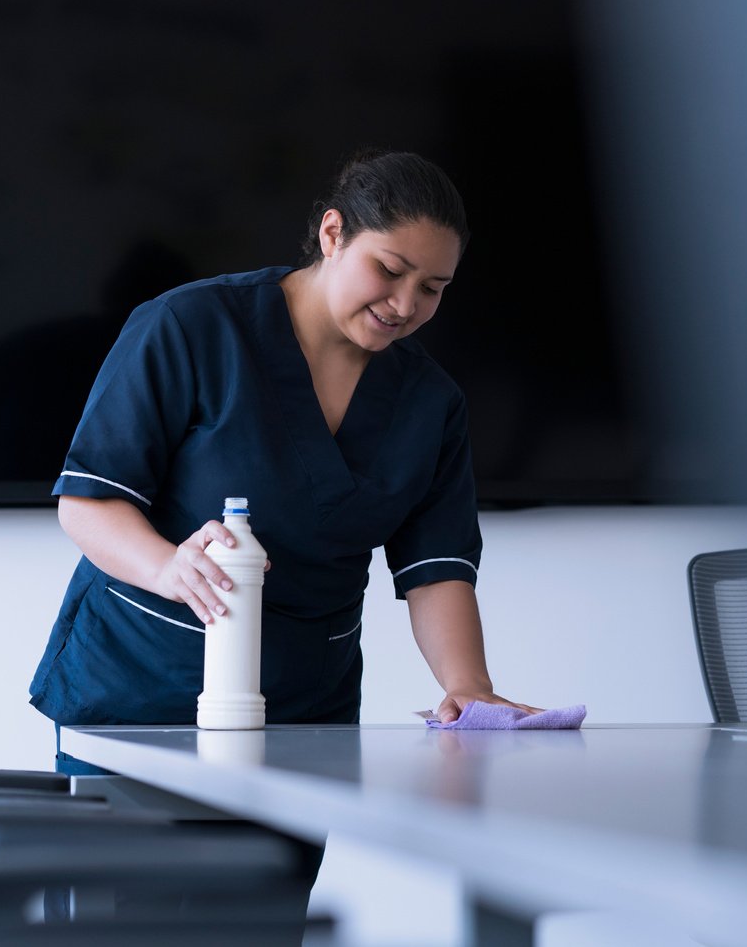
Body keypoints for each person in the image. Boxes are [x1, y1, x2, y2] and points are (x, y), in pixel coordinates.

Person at [29, 149, 538, 768]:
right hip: (141, 693)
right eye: (389, 270)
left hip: (306, 714)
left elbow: (437, 569)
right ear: (333, 234)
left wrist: (469, 689)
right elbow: (89, 504)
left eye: (432, 289)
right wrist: (169, 569)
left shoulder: (430, 403)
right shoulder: (191, 327)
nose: (405, 305)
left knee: (273, 870)